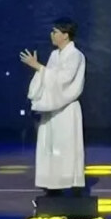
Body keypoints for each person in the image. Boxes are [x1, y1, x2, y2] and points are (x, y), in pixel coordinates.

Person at [20, 18, 86, 196]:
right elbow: (49, 79)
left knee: (66, 147)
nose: (52, 35)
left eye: (55, 31)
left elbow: (63, 80)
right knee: (50, 147)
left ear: (65, 35)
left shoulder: (75, 55)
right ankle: (52, 184)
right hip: (52, 109)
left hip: (66, 110)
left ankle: (72, 183)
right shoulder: (55, 55)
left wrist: (39, 67)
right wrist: (40, 70)